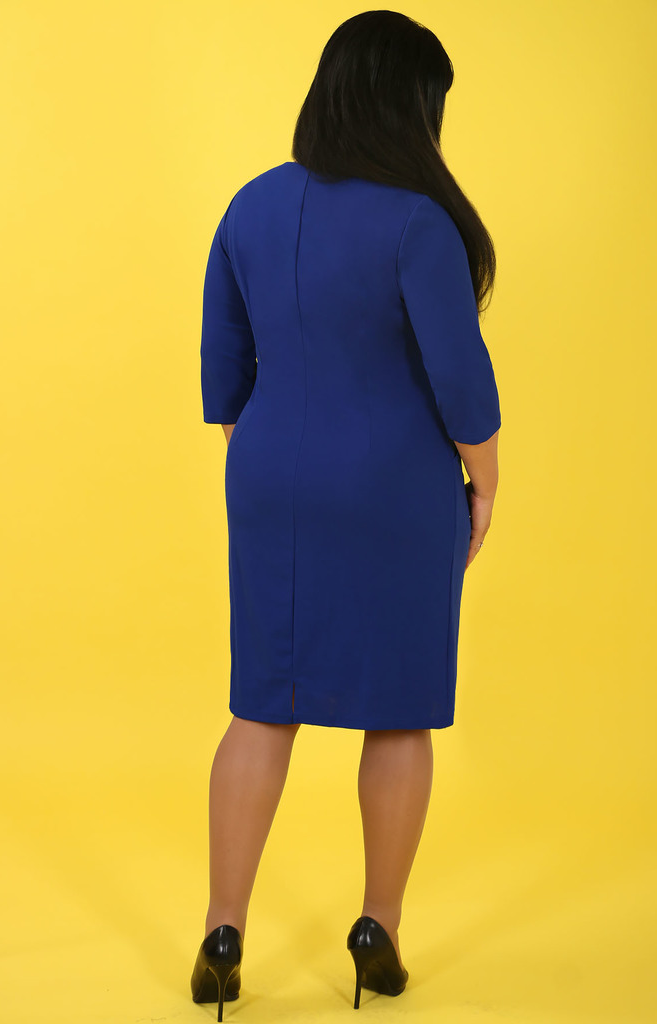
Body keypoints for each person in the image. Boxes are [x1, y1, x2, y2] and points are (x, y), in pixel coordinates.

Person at [190, 10, 501, 1018]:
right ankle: (379, 931)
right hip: (395, 487)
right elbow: (460, 378)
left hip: (270, 475)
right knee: (399, 707)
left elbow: (223, 368)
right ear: (410, 105)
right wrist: (485, 482)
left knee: (261, 703)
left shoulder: (250, 204)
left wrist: (271, 462)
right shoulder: (419, 222)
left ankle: (221, 931)